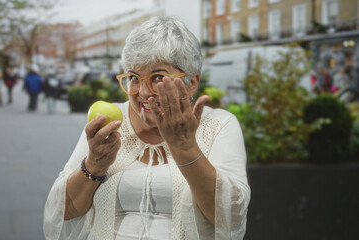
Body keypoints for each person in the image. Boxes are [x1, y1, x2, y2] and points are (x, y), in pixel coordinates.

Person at [44, 16, 250, 239]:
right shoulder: (110, 123)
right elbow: (65, 210)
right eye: (133, 77)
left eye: (158, 77)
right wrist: (94, 164)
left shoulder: (219, 124)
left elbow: (230, 218)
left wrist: (184, 147)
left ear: (192, 82)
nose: (143, 92)